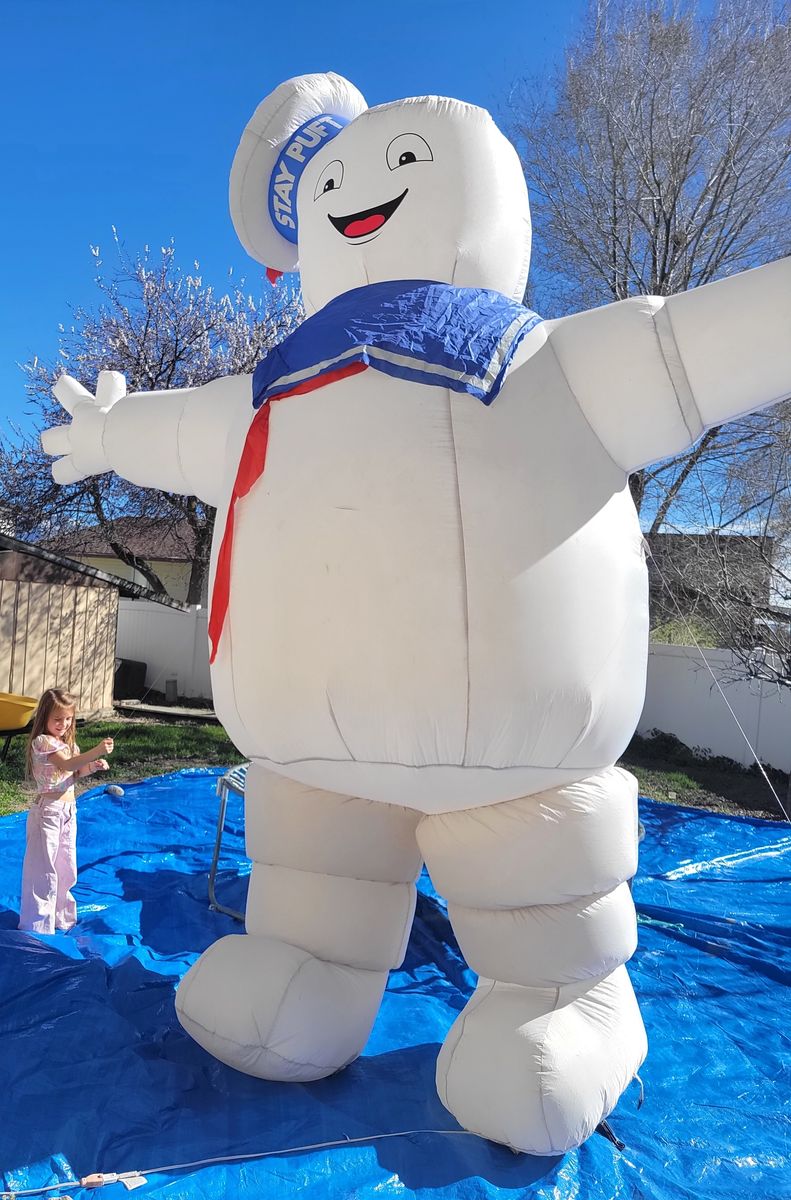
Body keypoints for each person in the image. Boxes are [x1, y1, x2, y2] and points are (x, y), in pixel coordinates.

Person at [18, 687, 114, 934]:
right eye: (57, 719)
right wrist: (97, 750)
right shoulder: (43, 742)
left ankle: (61, 917)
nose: (63, 724)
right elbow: (67, 764)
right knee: (43, 868)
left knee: (66, 865)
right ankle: (37, 925)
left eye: (68, 719)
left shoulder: (68, 744)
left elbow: (77, 771)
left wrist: (93, 765)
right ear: (45, 718)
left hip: (68, 810)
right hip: (48, 812)